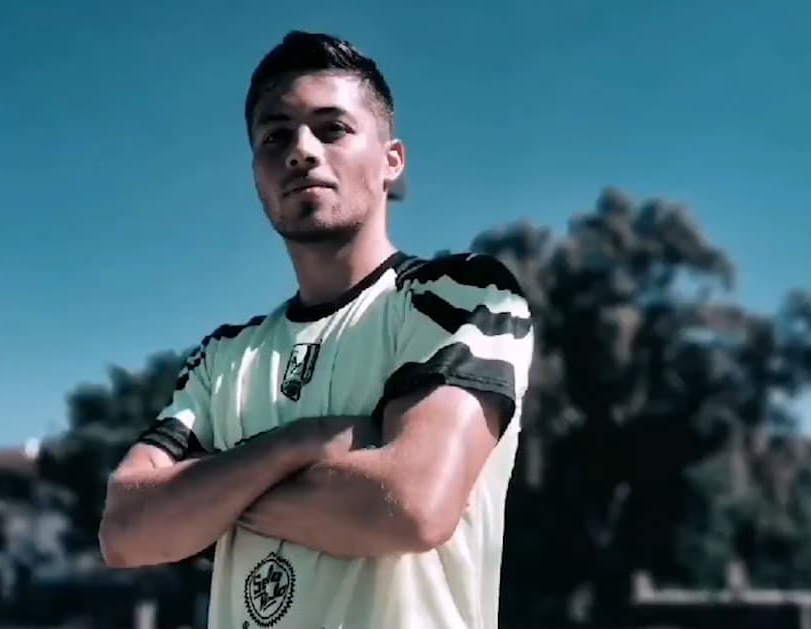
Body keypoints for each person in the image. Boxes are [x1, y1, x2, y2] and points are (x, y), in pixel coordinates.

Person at [98, 31, 535, 629]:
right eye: (275, 136)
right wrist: (299, 443)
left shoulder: (460, 295)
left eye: (332, 129)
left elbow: (411, 506)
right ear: (256, 174)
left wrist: (212, 498)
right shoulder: (223, 357)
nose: (301, 151)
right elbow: (125, 531)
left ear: (392, 161)